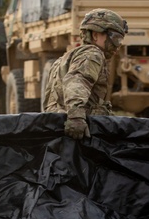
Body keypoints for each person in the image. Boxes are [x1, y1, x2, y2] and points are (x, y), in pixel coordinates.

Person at [43, 8, 128, 140]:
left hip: (58, 132)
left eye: (120, 41)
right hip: (78, 134)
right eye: (115, 38)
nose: (117, 46)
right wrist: (76, 117)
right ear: (95, 35)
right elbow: (77, 81)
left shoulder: (62, 60)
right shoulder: (92, 54)